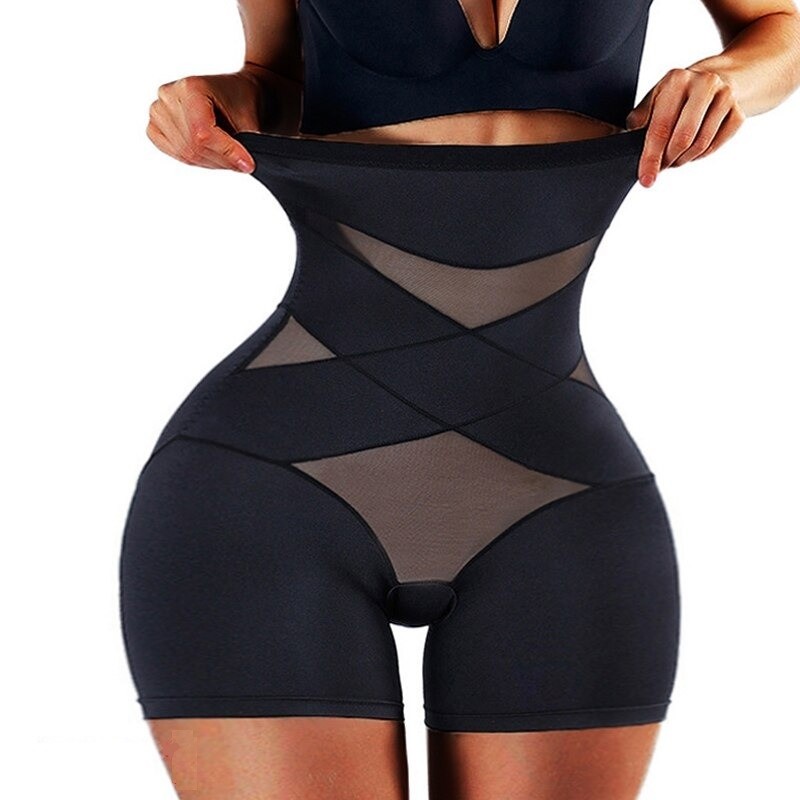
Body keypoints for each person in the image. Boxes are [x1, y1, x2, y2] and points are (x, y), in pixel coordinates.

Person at [120, 2, 800, 798]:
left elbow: (780, 25)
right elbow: (275, 79)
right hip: (274, 482)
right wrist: (208, 101)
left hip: (556, 487)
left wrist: (726, 80)